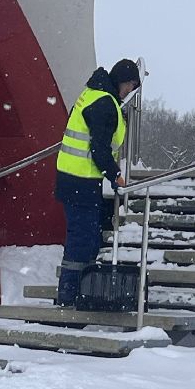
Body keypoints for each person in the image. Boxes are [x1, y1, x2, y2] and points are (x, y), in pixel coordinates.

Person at [53, 58, 141, 306]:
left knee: (82, 238)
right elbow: (99, 149)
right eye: (131, 87)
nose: (129, 93)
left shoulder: (91, 93)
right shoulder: (106, 104)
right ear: (126, 83)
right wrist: (115, 175)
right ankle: (69, 298)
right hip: (81, 181)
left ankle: (76, 293)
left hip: (72, 178)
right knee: (83, 241)